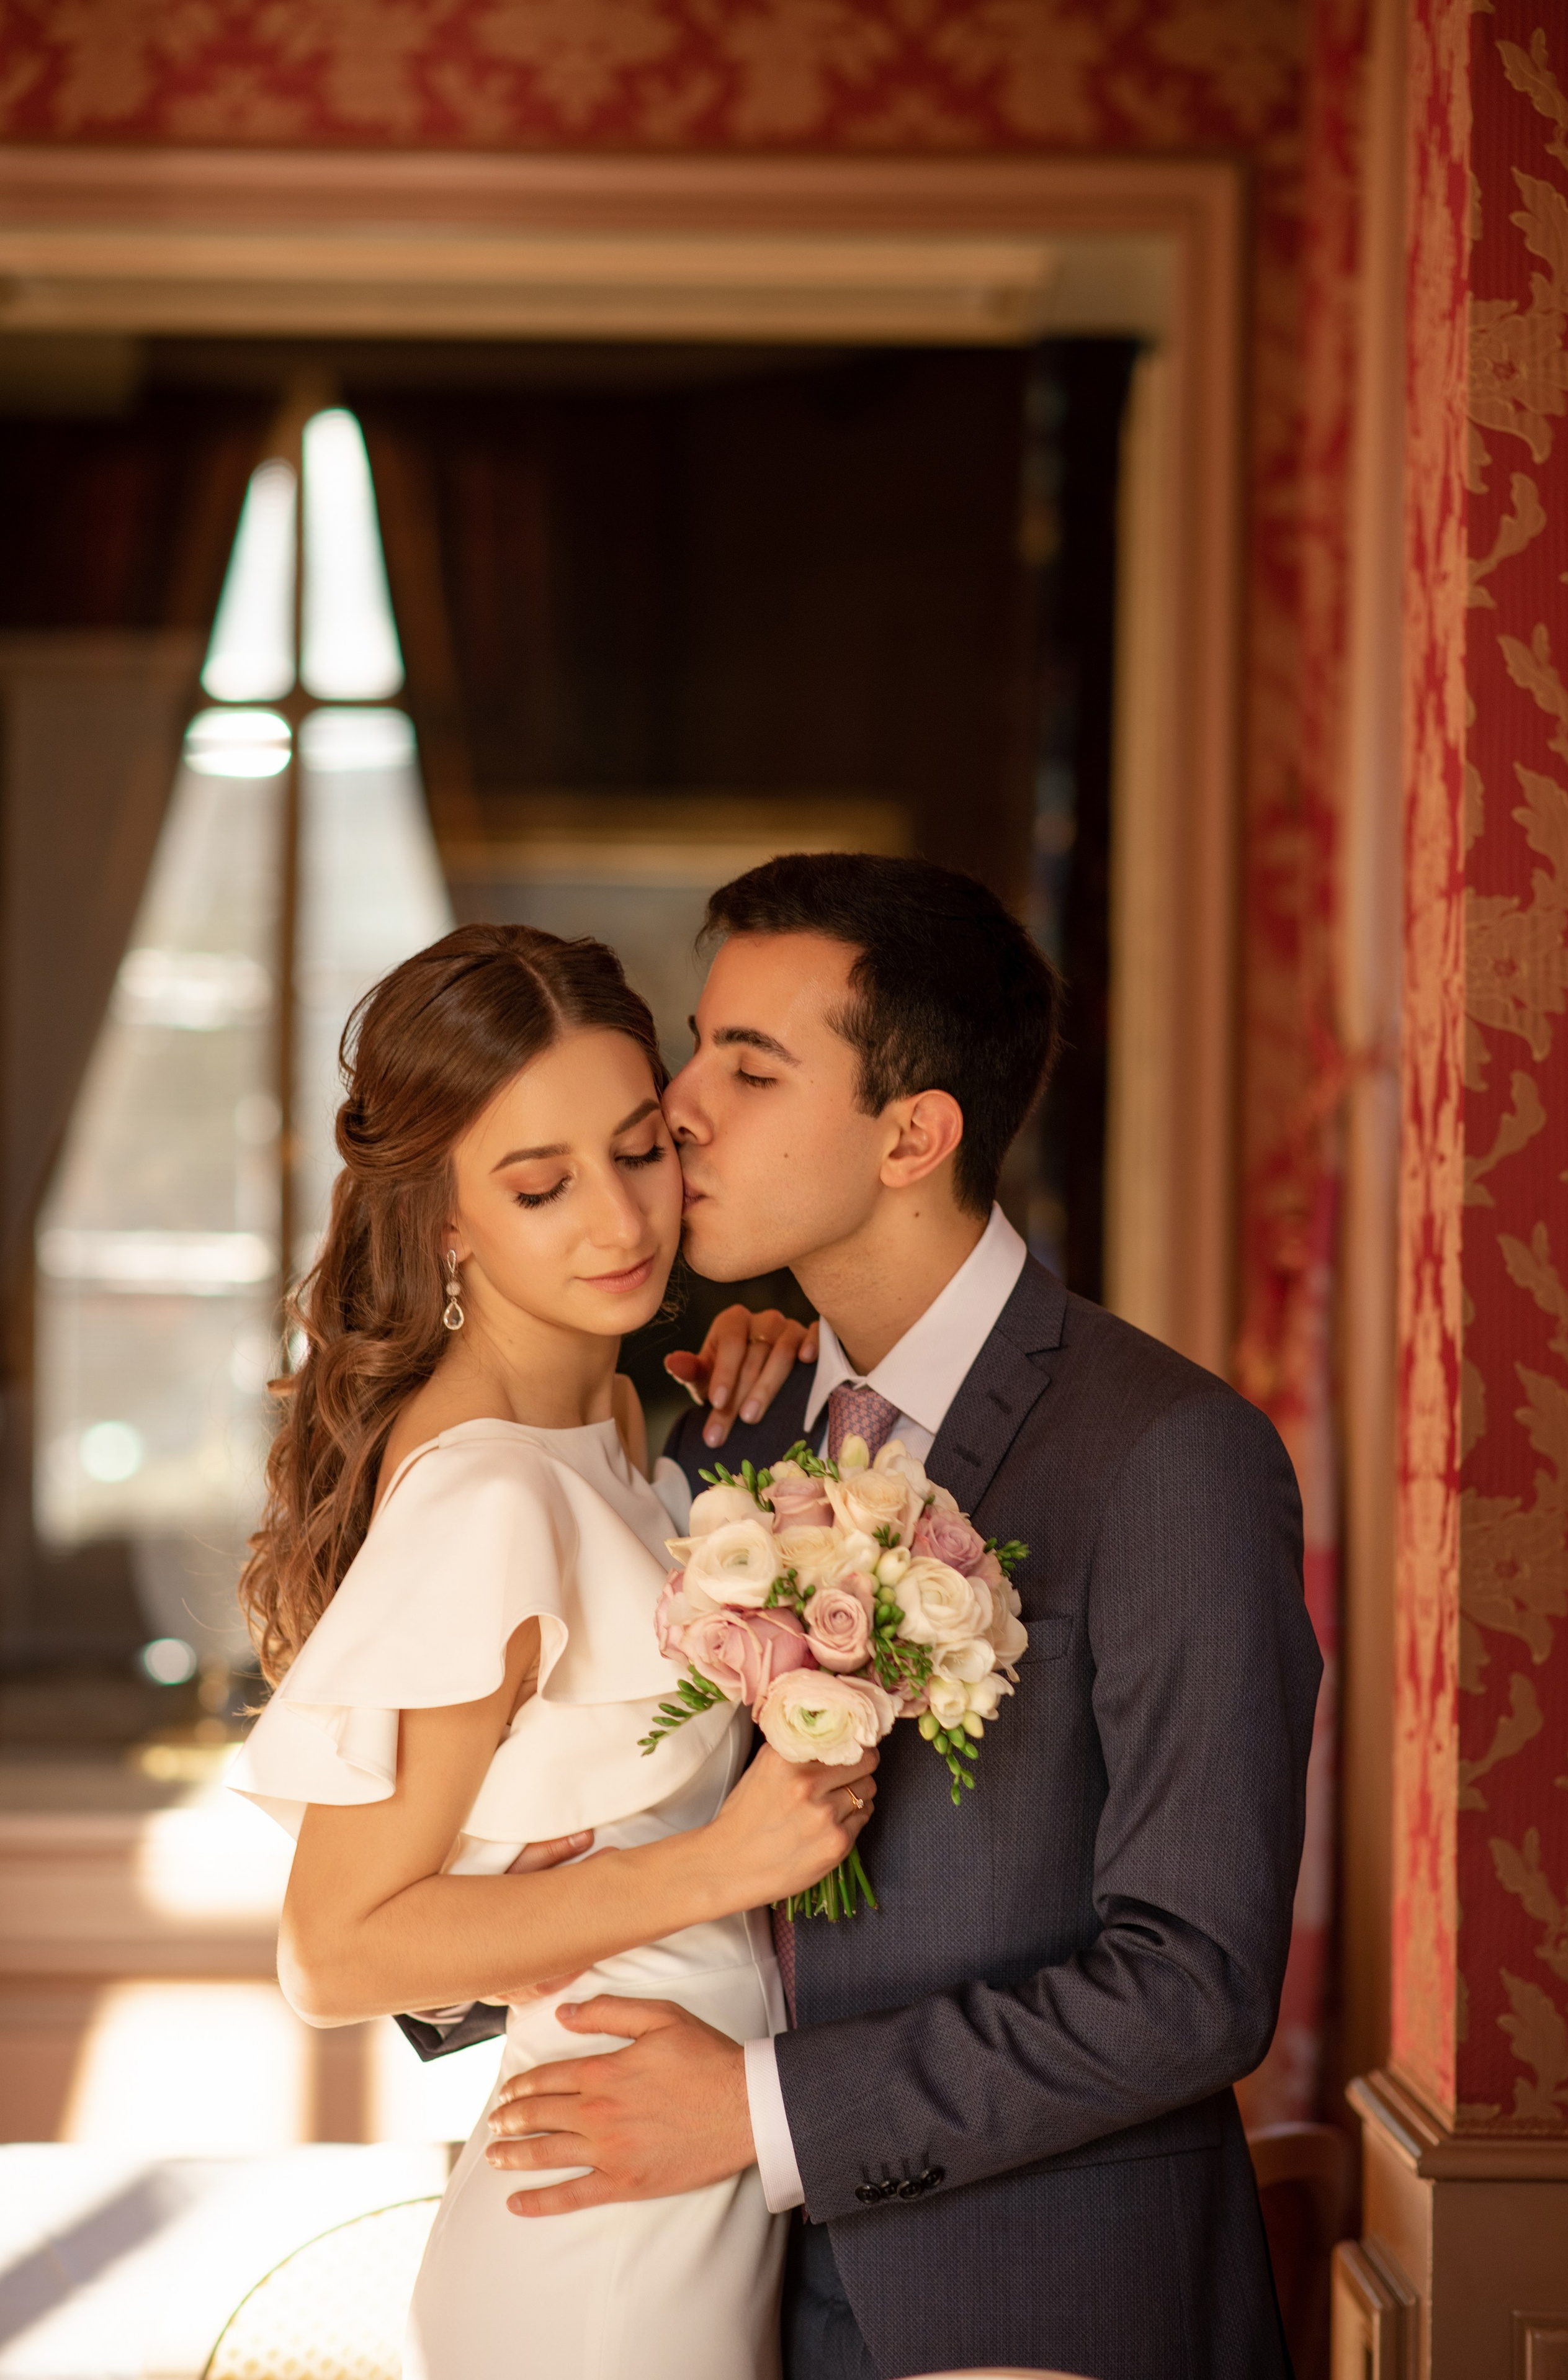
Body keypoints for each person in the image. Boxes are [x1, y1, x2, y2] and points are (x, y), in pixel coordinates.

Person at [482, 854, 1323, 2380]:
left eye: (749, 1065)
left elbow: (1193, 1981)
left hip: (1040, 2307)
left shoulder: (1165, 1454)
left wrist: (753, 2110)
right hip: (708, 2295)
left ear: (913, 1132)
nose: (679, 1107)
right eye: (694, 1046)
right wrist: (528, 1914)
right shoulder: (727, 1432)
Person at [228, 923, 879, 2380]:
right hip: (599, 2226)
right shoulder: (490, 1493)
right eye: (539, 1186)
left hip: (668, 2159)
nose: (617, 1222)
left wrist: (755, 1392)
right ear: (447, 1221)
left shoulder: (603, 1426)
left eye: (638, 1149)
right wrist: (717, 1867)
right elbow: (332, 1953)